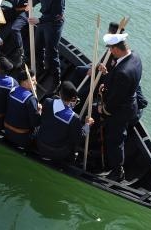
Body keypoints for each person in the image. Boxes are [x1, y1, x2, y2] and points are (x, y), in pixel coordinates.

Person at [96, 32, 142, 181]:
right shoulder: (135, 57)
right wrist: (108, 76)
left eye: (110, 48)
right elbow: (120, 84)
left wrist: (104, 110)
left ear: (116, 49)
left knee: (115, 140)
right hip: (130, 103)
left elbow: (114, 101)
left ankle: (117, 171)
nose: (110, 51)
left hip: (120, 111)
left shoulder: (123, 72)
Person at [36, 81, 94, 162]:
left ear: (59, 93)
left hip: (40, 144)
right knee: (72, 142)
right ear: (73, 99)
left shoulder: (47, 102)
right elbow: (79, 138)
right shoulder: (74, 118)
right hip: (57, 152)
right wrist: (88, 125)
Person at [28, 0, 66, 82]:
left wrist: (39, 20)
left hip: (55, 24)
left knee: (51, 51)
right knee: (37, 46)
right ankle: (39, 70)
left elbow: (58, 14)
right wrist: (29, 5)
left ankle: (56, 78)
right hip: (44, 20)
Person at [3, 69, 41, 147]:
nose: (35, 83)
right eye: (33, 80)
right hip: (22, 138)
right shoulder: (31, 99)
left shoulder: (12, 90)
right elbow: (35, 123)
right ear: (25, 82)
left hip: (7, 131)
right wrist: (39, 111)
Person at [1, 0, 29, 66]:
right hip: (15, 10)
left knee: (15, 29)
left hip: (24, 12)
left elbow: (15, 0)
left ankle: (20, 52)